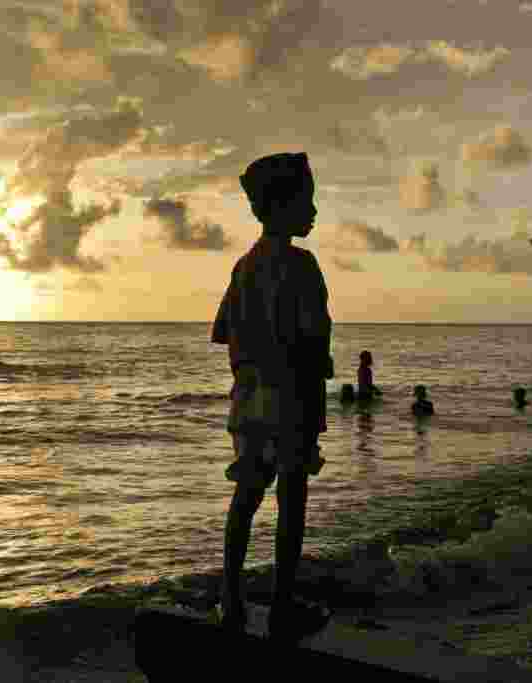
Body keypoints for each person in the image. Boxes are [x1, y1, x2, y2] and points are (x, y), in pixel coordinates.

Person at [211, 151, 332, 643]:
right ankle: (283, 603)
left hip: (249, 397)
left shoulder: (244, 265)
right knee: (292, 497)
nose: (315, 211)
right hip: (292, 397)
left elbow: (224, 331)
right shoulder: (301, 264)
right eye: (309, 199)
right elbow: (311, 338)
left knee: (246, 494)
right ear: (283, 206)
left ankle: (232, 598)